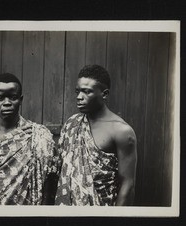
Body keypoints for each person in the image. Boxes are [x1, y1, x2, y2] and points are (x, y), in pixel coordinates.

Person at [0, 73, 56, 205]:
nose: (7, 103)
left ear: (21, 99)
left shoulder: (38, 134)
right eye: (0, 98)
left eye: (13, 97)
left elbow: (49, 183)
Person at [55, 65, 137, 206]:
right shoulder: (72, 123)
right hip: (67, 211)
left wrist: (116, 223)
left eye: (87, 92)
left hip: (102, 211)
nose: (79, 97)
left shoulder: (121, 131)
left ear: (104, 94)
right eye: (78, 92)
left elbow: (127, 185)